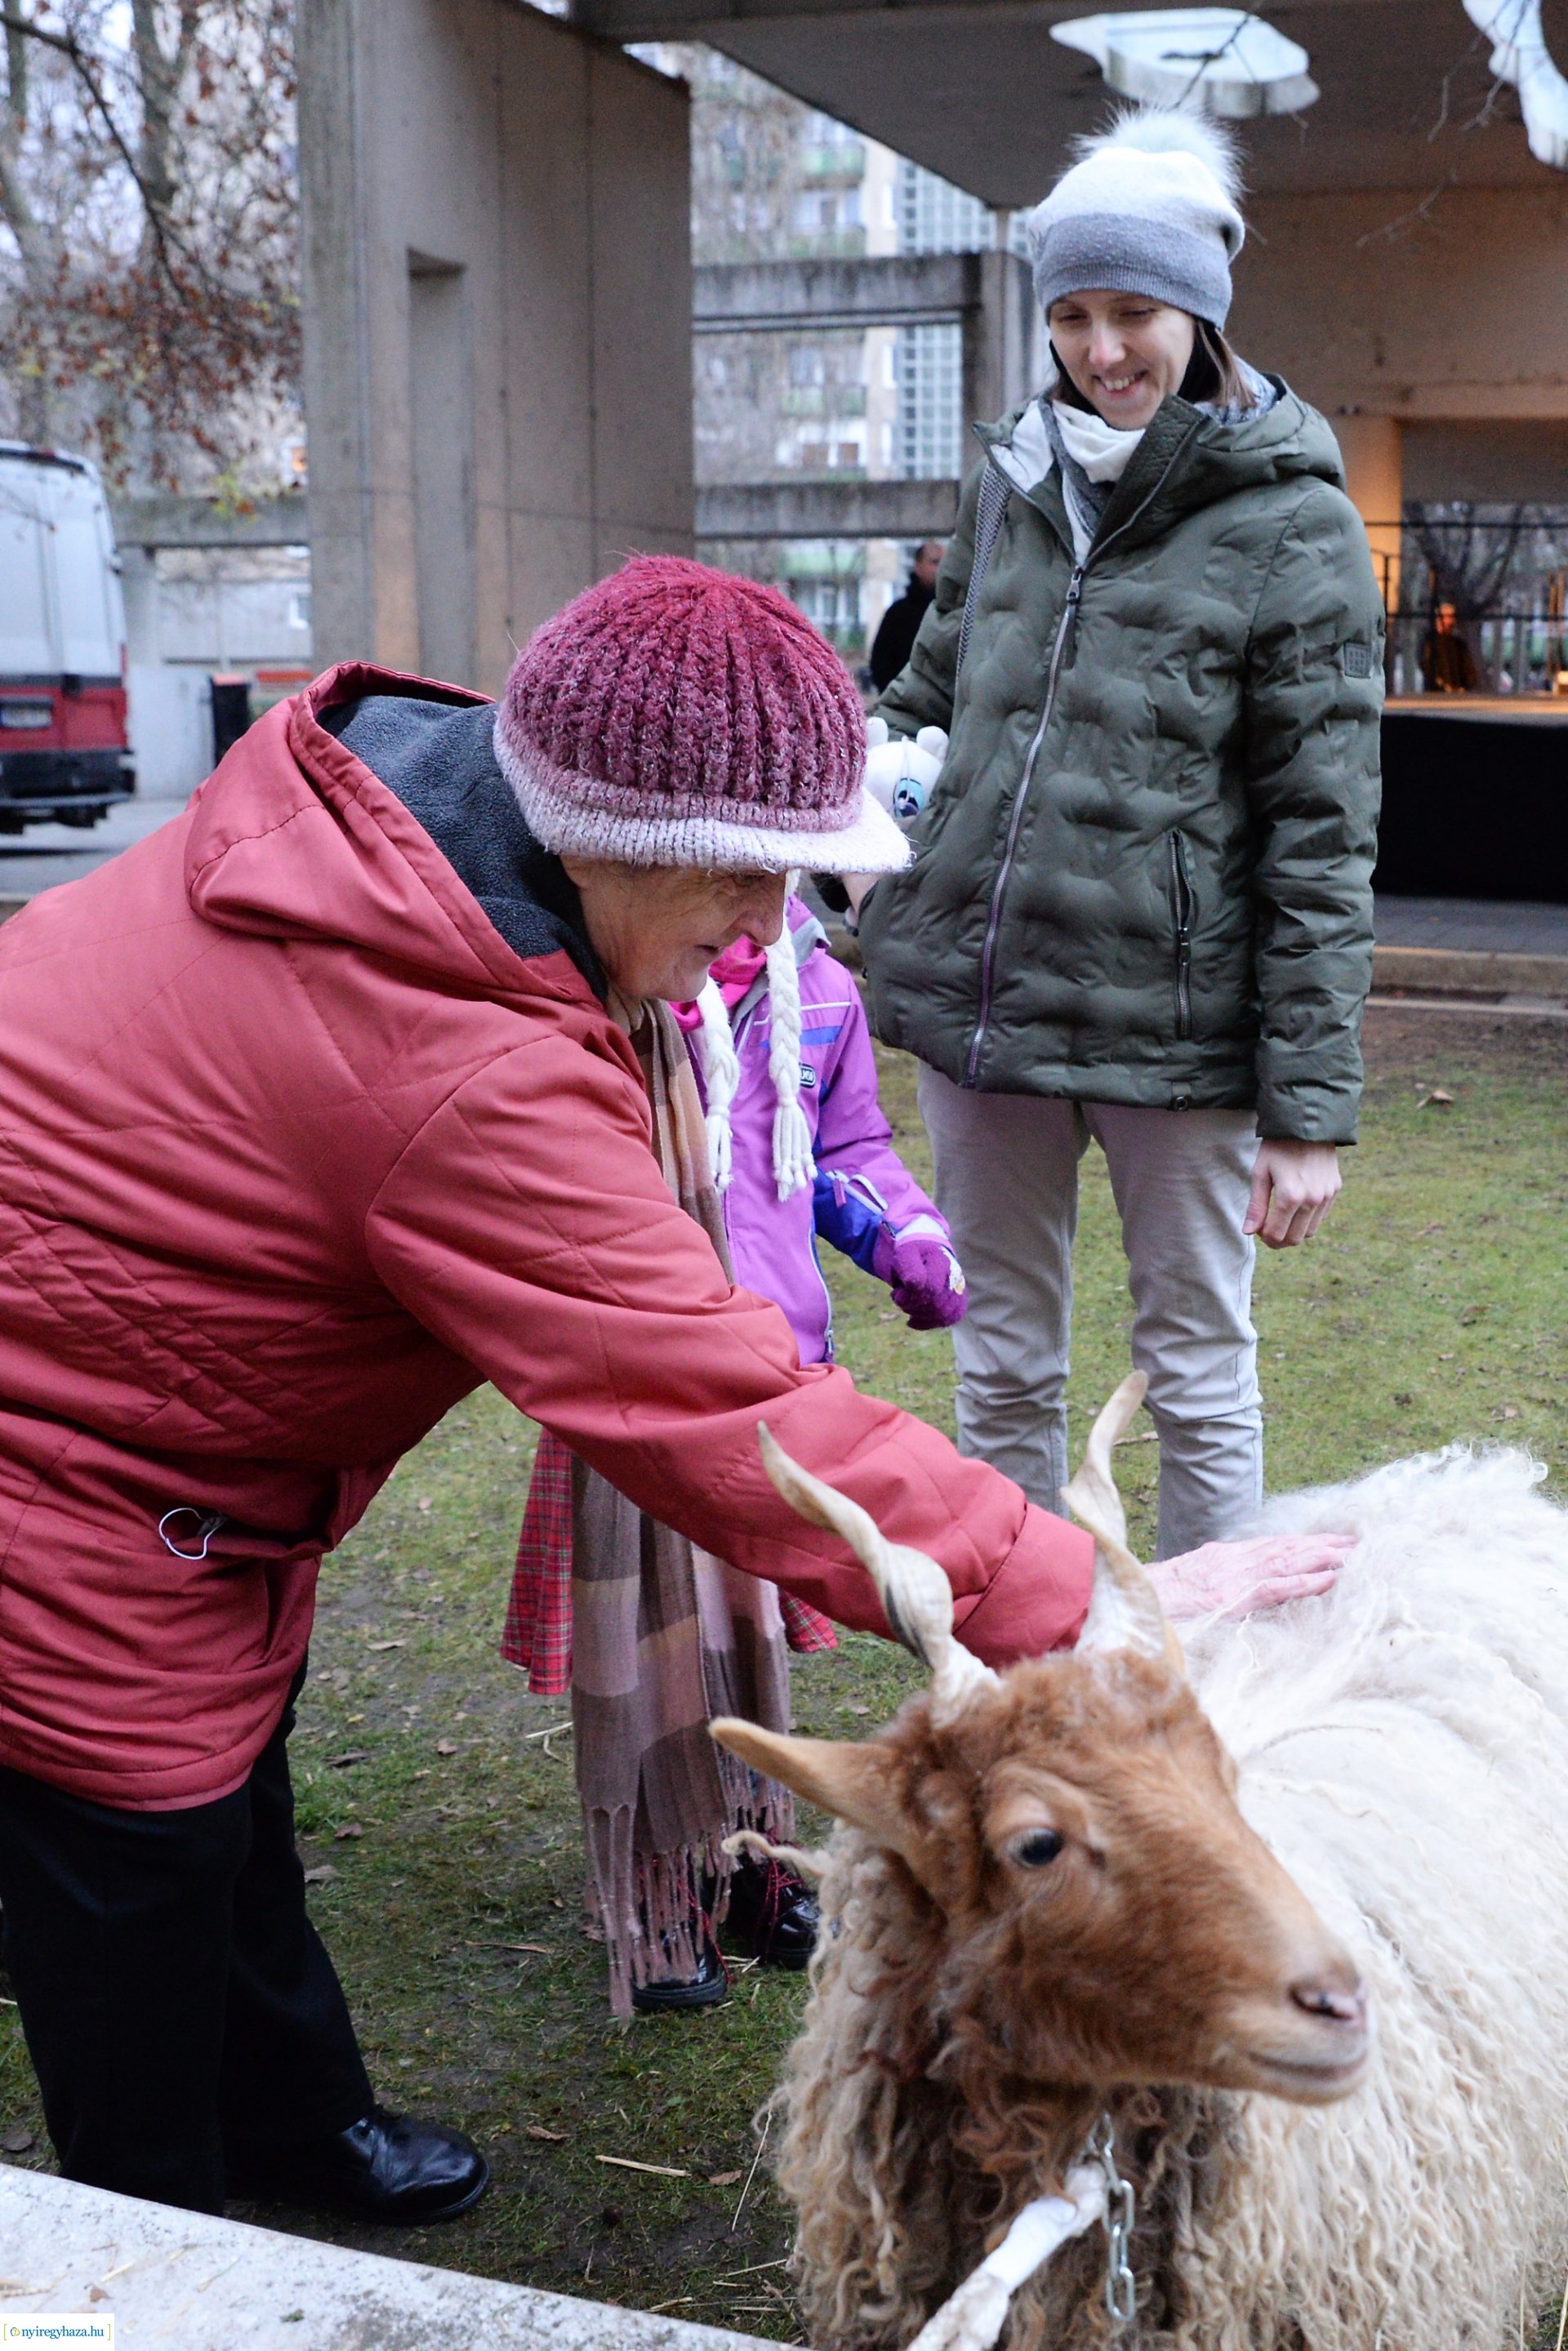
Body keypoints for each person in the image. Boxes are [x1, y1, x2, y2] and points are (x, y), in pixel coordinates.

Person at [0, 554, 1352, 2224]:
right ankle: (159, 2234)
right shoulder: (449, 1054)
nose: (767, 930)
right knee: (131, 1863)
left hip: (175, 1461)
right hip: (73, 1486)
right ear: (614, 832)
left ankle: (292, 2119)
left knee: (229, 1809)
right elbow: (723, 1409)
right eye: (746, 877)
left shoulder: (394, 832)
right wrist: (1077, 1597)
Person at [857, 106, 1383, 1560]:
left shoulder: (1295, 523)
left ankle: (1213, 1698)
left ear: (1201, 314)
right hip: (991, 1012)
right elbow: (931, 694)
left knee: (1199, 1375)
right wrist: (857, 810)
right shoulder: (1013, 477)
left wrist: (1309, 1110)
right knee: (1003, 1365)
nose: (1103, 349)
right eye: (1075, 314)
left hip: (1182, 1035)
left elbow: (1323, 833)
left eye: (1135, 312)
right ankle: (1027, 1685)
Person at [505, 884, 965, 2015]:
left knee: (750, 1639)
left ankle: (755, 1868)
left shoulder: (819, 990)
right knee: (657, 1651)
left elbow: (844, 1141)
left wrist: (903, 1227)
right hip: (640, 1378)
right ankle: (660, 1901)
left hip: (772, 1377)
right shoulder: (619, 982)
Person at [868, 541, 945, 692]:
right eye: (935, 562)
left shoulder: (955, 612)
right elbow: (880, 663)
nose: (941, 568)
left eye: (945, 562)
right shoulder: (898, 614)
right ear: (918, 567)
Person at [1420, 599, 1479, 693]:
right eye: (1448, 617)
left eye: (1452, 617)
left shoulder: (1458, 644)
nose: (1451, 621)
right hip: (1436, 694)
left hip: (1458, 692)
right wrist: (1443, 685)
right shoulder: (1430, 642)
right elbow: (1427, 667)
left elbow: (1469, 669)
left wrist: (1465, 685)